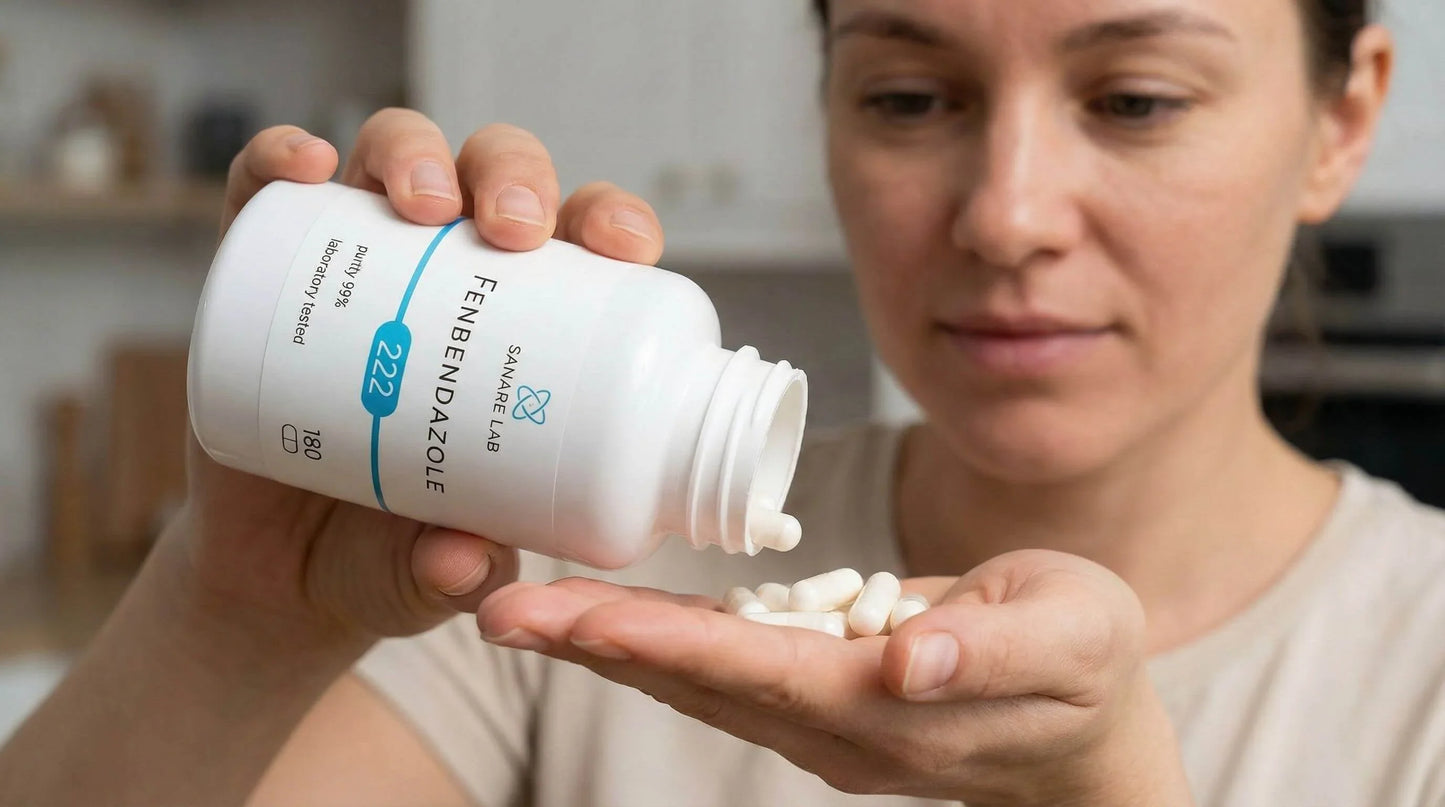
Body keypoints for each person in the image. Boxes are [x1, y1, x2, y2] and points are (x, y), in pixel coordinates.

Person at [2, 0, 1438, 804]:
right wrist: (234, 609)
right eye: (906, 99)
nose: (1005, 218)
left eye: (1132, 99)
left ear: (1342, 119)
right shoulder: (544, 563)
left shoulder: (1416, 685)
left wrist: (1099, 790)